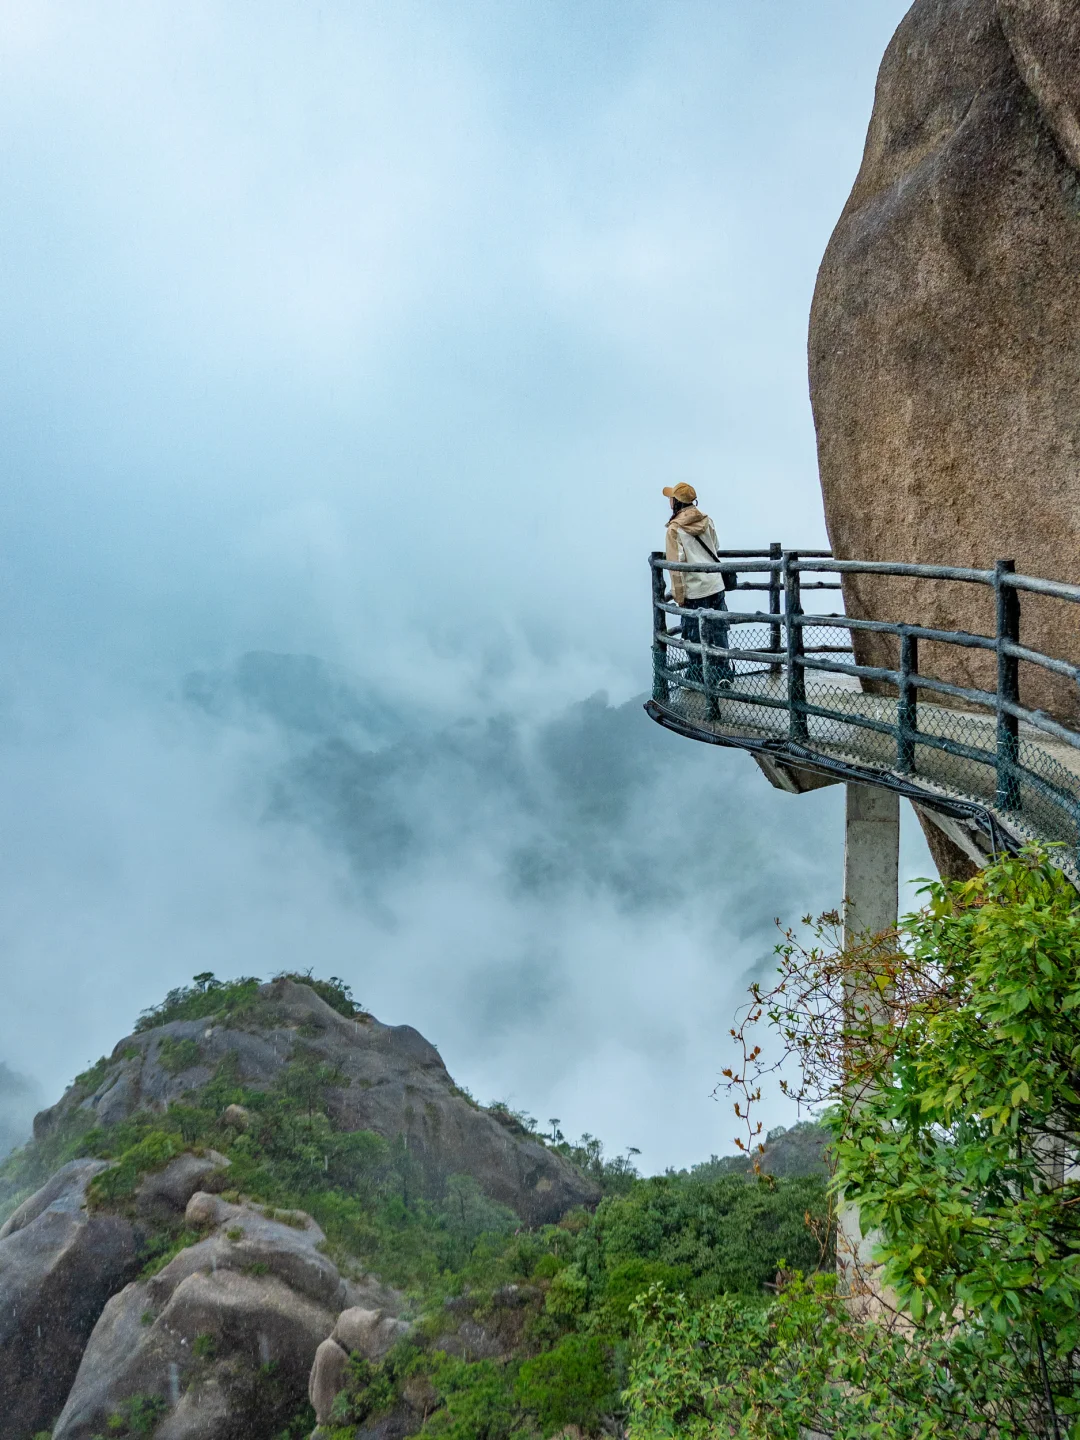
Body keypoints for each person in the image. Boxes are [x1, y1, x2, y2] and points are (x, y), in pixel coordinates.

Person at [663, 482, 734, 688]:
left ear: (676, 502)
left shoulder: (675, 529)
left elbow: (676, 568)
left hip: (694, 590)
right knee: (718, 631)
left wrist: (679, 596)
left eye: (671, 498)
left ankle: (698, 676)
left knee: (693, 635)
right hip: (715, 584)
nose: (669, 501)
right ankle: (722, 675)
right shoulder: (706, 521)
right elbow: (716, 546)